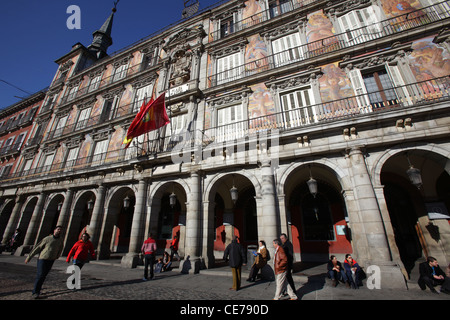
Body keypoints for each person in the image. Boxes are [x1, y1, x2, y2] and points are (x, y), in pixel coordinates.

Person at [25, 226, 64, 299]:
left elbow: (61, 248)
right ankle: (35, 292)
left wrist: (57, 256)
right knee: (41, 275)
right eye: (58, 229)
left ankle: (37, 290)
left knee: (43, 275)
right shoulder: (47, 238)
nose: (59, 231)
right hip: (43, 259)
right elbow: (38, 247)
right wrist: (29, 257)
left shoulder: (60, 240)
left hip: (51, 259)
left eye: (60, 230)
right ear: (54, 230)